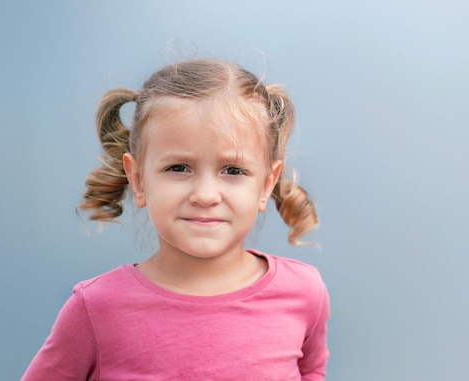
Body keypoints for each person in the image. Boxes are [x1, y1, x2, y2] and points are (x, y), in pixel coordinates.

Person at [22, 59, 329, 380]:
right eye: (178, 168)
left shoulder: (304, 292)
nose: (206, 195)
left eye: (233, 171)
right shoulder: (95, 309)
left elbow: (313, 370)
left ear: (267, 183)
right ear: (138, 179)